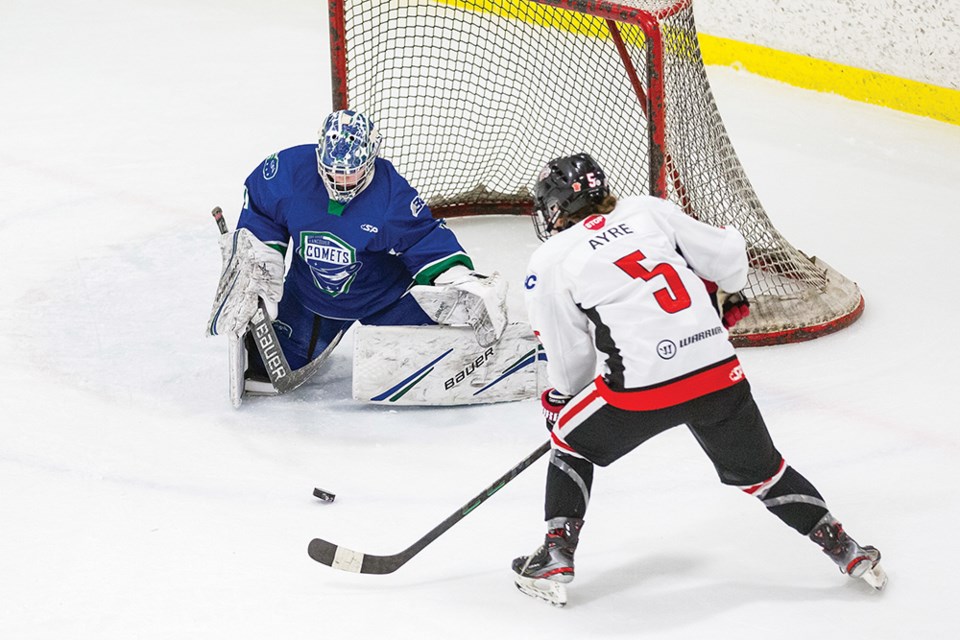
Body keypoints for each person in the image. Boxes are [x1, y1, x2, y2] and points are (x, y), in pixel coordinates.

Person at [511, 153, 886, 606]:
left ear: (554, 207)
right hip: (718, 370)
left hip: (641, 388)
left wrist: (561, 400)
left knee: (571, 441)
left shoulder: (551, 257)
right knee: (765, 473)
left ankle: (556, 555)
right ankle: (845, 549)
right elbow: (728, 253)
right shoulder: (648, 210)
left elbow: (570, 353)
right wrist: (728, 288)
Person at [206, 109, 506, 397]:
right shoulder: (287, 173)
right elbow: (261, 210)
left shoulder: (390, 194)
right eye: (333, 171)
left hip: (384, 299)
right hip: (311, 299)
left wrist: (458, 277)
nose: (341, 181)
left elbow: (423, 238)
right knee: (265, 368)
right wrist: (258, 269)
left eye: (351, 172)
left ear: (371, 159)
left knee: (427, 356)